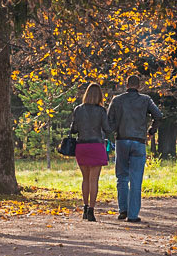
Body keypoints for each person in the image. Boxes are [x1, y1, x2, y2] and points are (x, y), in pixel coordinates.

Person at [106, 74, 162, 223]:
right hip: (139, 141)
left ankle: (122, 209)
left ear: (126, 85)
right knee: (136, 179)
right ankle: (132, 215)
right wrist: (151, 131)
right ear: (139, 86)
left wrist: (111, 132)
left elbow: (109, 122)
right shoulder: (145, 100)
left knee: (122, 177)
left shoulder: (117, 100)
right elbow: (158, 115)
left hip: (122, 140)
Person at [69, 82, 113, 222]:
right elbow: (107, 128)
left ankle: (85, 207)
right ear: (99, 96)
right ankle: (91, 211)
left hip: (82, 146)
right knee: (94, 180)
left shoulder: (78, 109)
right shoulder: (101, 111)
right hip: (96, 145)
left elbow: (74, 129)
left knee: (85, 179)